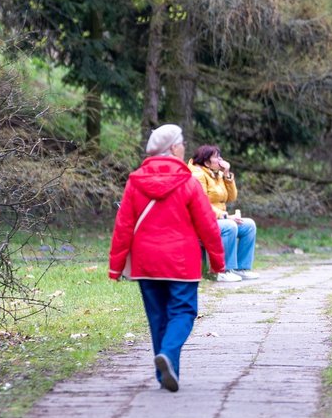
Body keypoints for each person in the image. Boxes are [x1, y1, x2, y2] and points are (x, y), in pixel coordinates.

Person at [109, 124, 226, 392]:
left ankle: (165, 376)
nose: (184, 146)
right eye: (182, 142)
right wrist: (218, 262)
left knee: (158, 317)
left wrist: (116, 267)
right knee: (183, 311)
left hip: (145, 262)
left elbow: (123, 226)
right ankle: (169, 356)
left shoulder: (135, 180)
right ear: (173, 148)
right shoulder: (187, 181)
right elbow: (207, 224)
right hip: (181, 261)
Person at [188, 144, 259, 282]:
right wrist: (225, 216)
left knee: (249, 225)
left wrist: (227, 175)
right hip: (201, 221)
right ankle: (222, 270)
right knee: (229, 226)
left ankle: (242, 268)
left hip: (218, 219)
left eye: (220, 156)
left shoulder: (217, 174)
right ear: (206, 161)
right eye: (217, 157)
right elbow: (201, 203)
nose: (221, 160)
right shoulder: (197, 174)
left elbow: (232, 197)